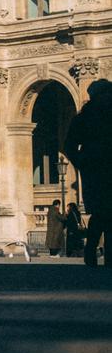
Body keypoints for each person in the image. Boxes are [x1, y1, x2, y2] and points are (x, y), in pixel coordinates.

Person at [64, 79, 112, 266]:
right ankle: (98, 254)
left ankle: (92, 252)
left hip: (93, 168)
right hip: (97, 168)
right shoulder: (86, 118)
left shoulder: (83, 117)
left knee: (101, 214)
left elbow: (69, 145)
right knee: (104, 213)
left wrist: (81, 162)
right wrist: (81, 163)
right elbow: (69, 145)